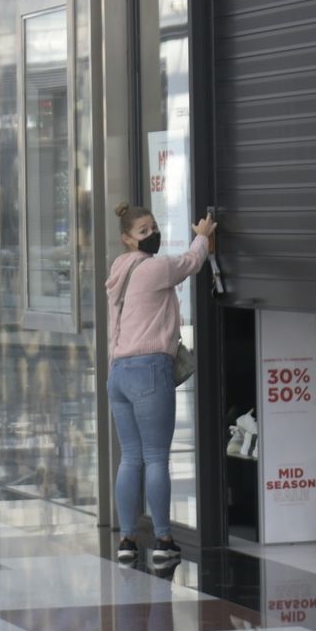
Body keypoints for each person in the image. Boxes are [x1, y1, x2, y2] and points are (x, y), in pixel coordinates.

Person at [106, 202, 216, 565]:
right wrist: (203, 236)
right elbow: (190, 262)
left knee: (130, 459)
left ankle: (126, 540)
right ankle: (163, 540)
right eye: (143, 231)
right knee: (155, 458)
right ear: (127, 239)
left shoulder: (118, 271)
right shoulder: (152, 269)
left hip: (119, 373)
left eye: (153, 227)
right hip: (149, 370)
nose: (152, 234)